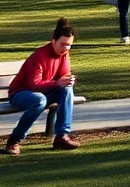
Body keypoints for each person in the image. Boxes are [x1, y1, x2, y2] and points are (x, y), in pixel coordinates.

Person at [5, 18, 80, 154]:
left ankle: (62, 136)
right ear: (53, 41)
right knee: (39, 100)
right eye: (63, 44)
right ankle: (14, 140)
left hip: (44, 93)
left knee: (67, 89)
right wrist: (57, 83)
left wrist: (68, 81)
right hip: (20, 93)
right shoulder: (39, 56)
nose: (66, 48)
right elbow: (33, 85)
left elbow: (64, 76)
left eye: (69, 45)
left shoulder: (64, 54)